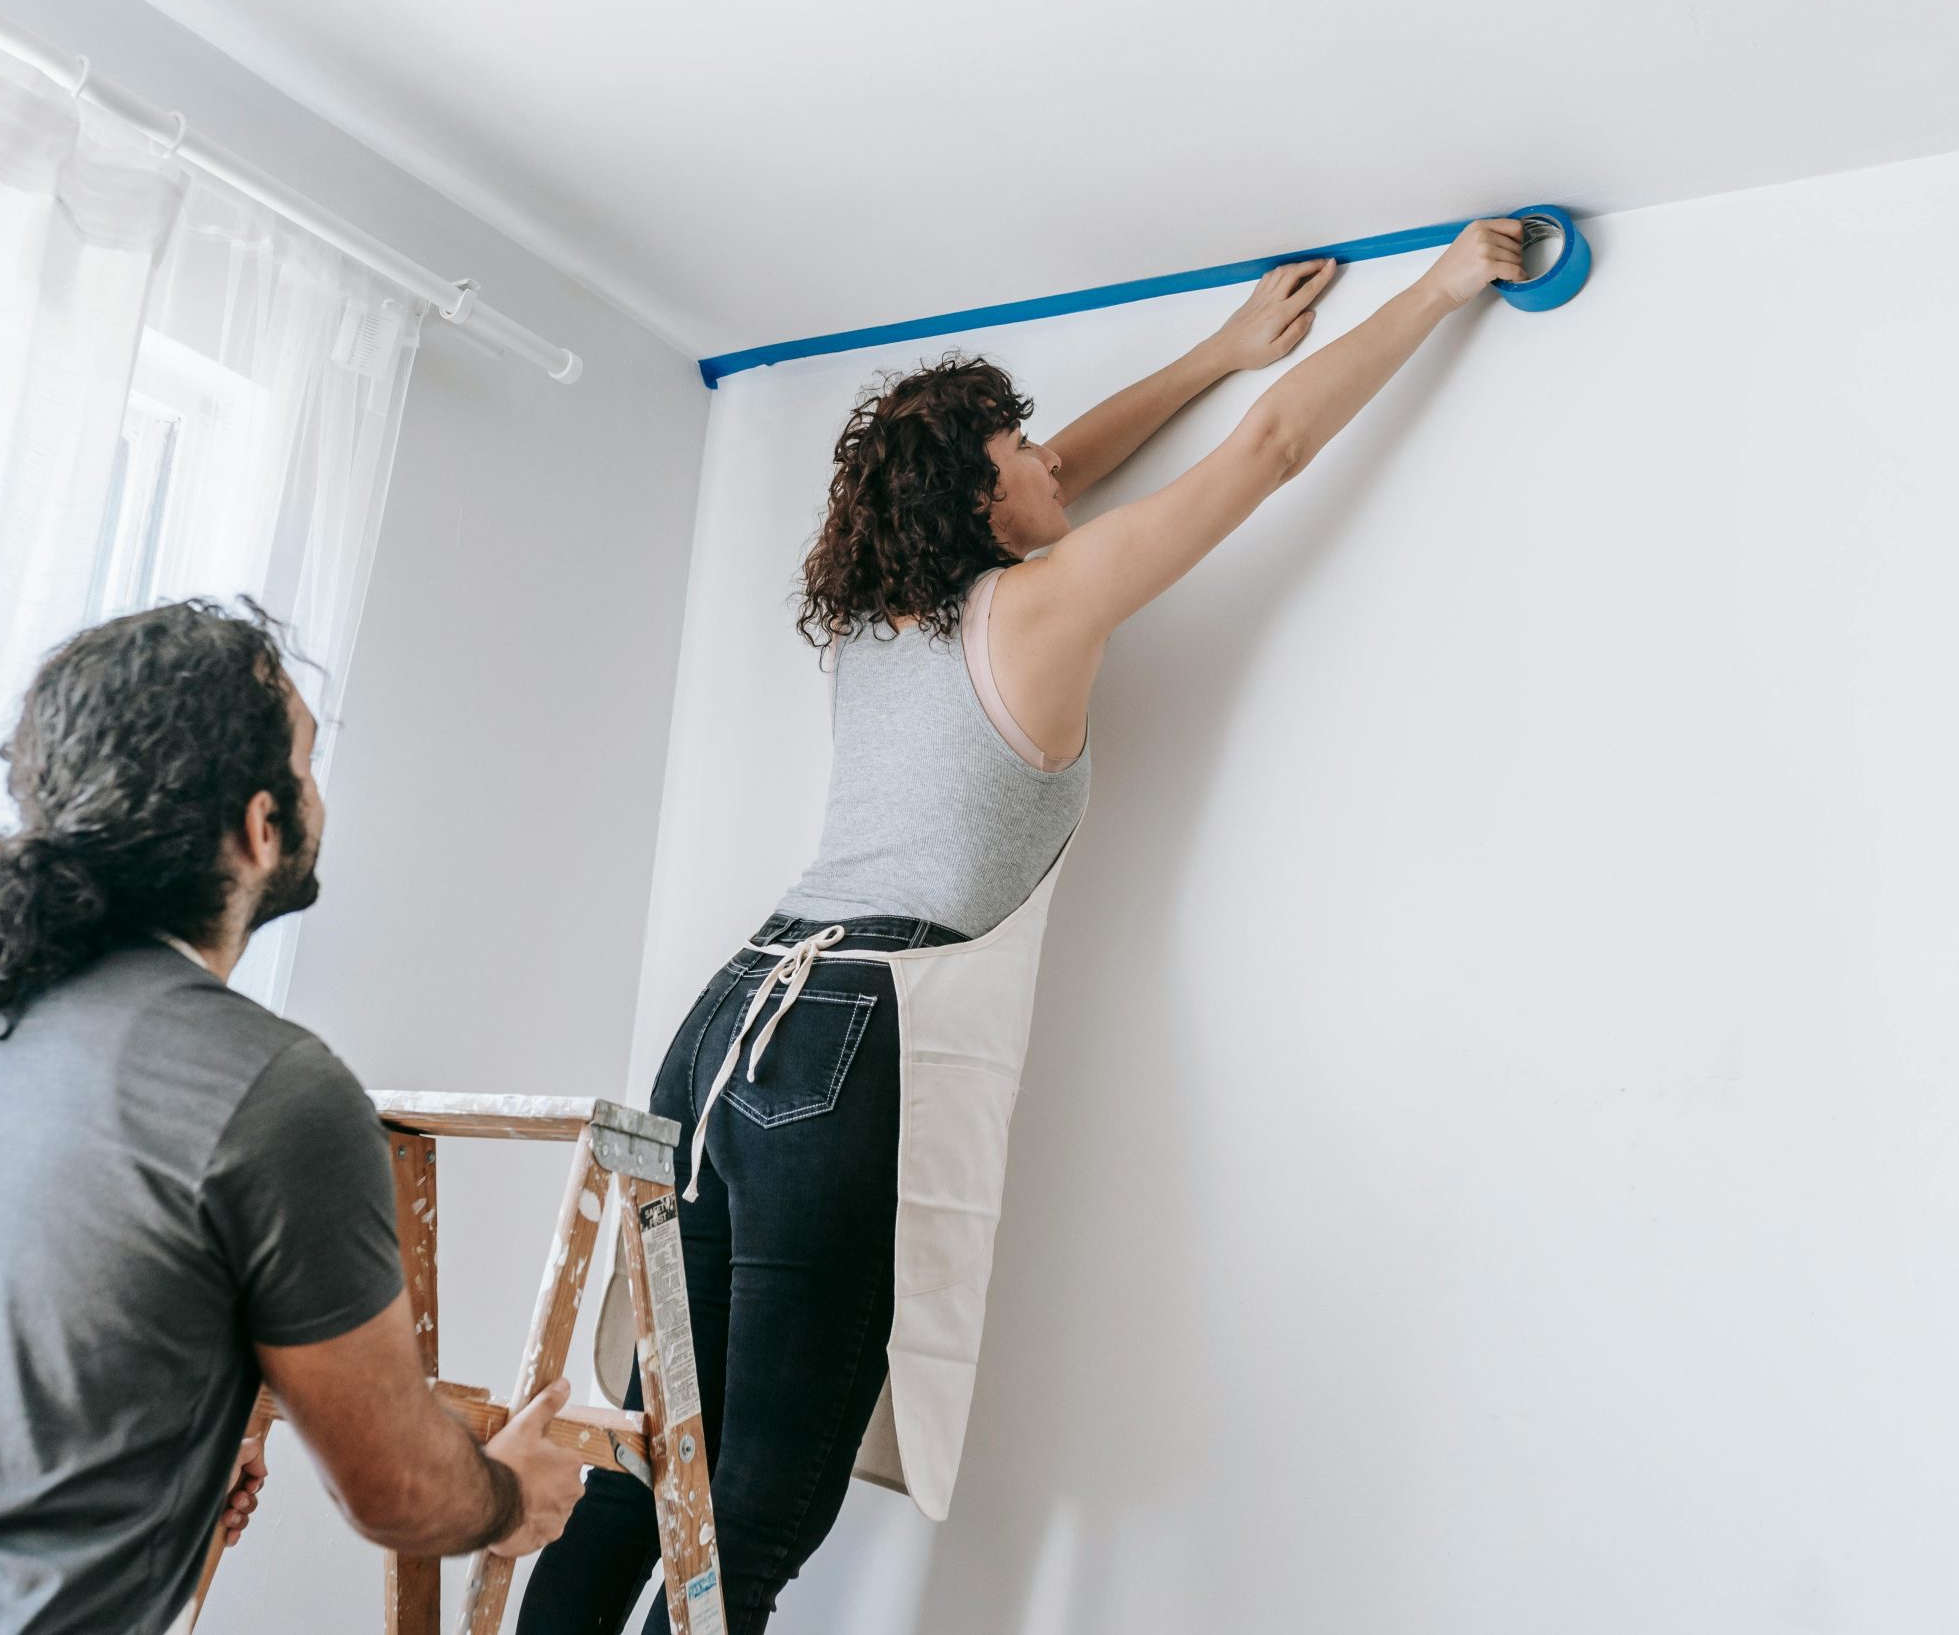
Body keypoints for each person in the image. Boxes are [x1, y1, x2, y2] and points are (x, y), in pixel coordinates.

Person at [520, 222, 1531, 1633]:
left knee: (646, 1454)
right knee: (753, 1504)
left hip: (721, 1032)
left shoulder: (884, 618)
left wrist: (1221, 350)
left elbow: (1080, 468)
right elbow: (1272, 455)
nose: (1052, 460)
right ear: (980, 505)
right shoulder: (1042, 602)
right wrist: (1444, 284)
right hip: (839, 1040)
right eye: (1021, 454)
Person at [0, 599, 584, 1634]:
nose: (316, 792)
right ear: (262, 827)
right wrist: (506, 1492)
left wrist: (168, 1456)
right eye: (306, 766)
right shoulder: (276, 1092)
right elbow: (398, 1488)